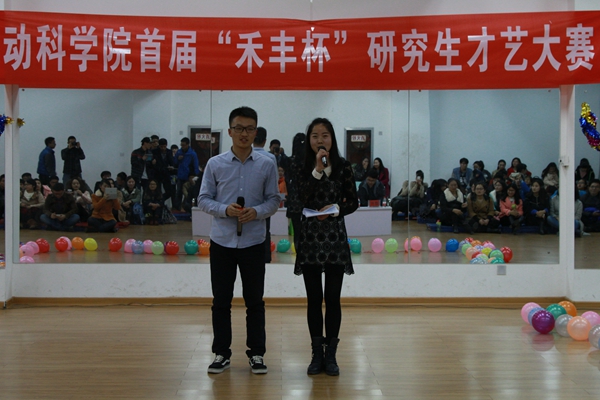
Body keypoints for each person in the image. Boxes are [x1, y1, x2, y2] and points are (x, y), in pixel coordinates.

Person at [198, 106, 279, 375]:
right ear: (230, 131)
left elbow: (274, 200)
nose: (244, 133)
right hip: (222, 242)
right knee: (221, 301)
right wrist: (225, 210)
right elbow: (203, 199)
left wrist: (257, 212)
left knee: (254, 301)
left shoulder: (267, 164)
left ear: (256, 132)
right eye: (239, 128)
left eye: (249, 129)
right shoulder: (215, 164)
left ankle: (256, 354)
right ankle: (222, 353)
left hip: (254, 242)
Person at [293, 117, 358, 377]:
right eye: (315, 136)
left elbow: (353, 201)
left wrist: (336, 209)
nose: (320, 140)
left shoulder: (343, 166)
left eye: (325, 135)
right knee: (313, 299)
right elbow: (297, 201)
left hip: (334, 238)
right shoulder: (300, 166)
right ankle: (316, 353)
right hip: (310, 238)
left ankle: (331, 354)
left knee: (332, 298)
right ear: (309, 140)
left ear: (332, 138)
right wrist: (317, 171)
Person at [253, 126, 278, 263]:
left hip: (251, 198)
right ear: (265, 141)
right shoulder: (271, 157)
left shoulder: (247, 155)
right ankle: (266, 256)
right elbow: (274, 180)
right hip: (265, 201)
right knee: (265, 228)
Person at [285, 132, 306, 252]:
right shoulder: (309, 161)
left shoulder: (290, 161)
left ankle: (299, 251)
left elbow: (287, 179)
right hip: (307, 197)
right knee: (308, 227)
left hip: (294, 198)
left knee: (297, 228)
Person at [173, 137, 199, 211]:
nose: (182, 147)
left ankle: (186, 207)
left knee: (187, 193)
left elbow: (196, 165)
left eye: (184, 145)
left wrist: (195, 175)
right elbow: (174, 163)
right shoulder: (179, 152)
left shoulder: (192, 154)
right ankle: (177, 207)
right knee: (178, 192)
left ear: (188, 144)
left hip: (189, 176)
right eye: (181, 145)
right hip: (180, 176)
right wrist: (178, 159)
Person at [150, 138, 176, 205]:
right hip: (157, 173)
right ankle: (158, 203)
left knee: (169, 191)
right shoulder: (154, 151)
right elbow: (150, 162)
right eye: (161, 147)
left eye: (164, 146)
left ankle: (160, 200)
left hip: (166, 173)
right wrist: (153, 162)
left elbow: (171, 161)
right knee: (157, 191)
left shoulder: (169, 151)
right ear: (159, 146)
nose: (163, 148)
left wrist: (171, 166)